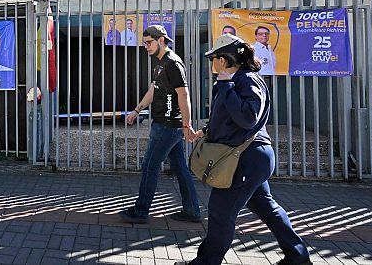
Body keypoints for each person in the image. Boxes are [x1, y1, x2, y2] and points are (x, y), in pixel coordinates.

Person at [178, 33, 311, 265]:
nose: (211, 63)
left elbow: (248, 118)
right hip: (248, 157)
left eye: (214, 58)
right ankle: (297, 256)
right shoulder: (233, 80)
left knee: (221, 212)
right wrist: (207, 131)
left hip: (246, 158)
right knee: (266, 207)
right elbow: (227, 117)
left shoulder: (244, 80)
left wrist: (226, 85)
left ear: (225, 59)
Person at [120, 25, 202, 225]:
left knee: (149, 166)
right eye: (144, 43)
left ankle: (141, 211)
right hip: (166, 125)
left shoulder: (173, 64)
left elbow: (183, 94)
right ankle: (192, 210)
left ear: (162, 40)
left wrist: (186, 124)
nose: (146, 47)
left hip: (168, 126)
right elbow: (153, 90)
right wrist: (137, 110)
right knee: (180, 167)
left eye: (149, 42)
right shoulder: (160, 63)